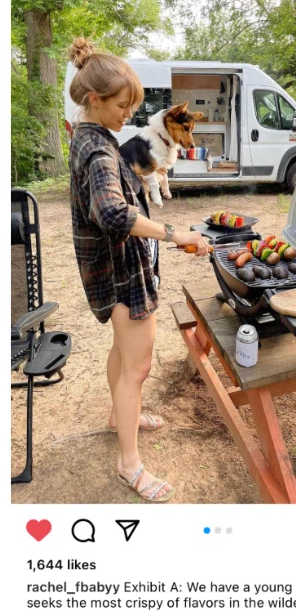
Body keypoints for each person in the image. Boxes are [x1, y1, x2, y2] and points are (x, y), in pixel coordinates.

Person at [68, 38, 210, 502]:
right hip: (121, 270)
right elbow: (112, 212)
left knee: (122, 353)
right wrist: (176, 235)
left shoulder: (91, 136)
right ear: (95, 99)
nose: (128, 113)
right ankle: (129, 465)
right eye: (121, 104)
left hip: (111, 266)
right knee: (139, 366)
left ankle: (118, 416)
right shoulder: (97, 151)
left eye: (132, 104)